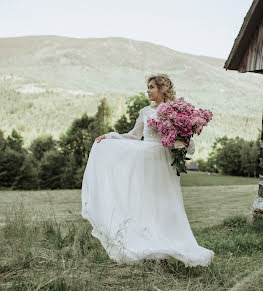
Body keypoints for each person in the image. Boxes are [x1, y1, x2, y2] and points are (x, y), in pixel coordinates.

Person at [81, 73, 215, 267]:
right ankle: (151, 248)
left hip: (163, 162)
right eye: (148, 87)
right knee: (145, 203)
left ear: (163, 89)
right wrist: (110, 137)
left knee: (165, 204)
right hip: (145, 162)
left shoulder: (176, 112)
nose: (148, 91)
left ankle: (168, 250)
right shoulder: (145, 111)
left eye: (152, 87)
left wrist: (183, 142)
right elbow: (134, 136)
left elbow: (188, 144)